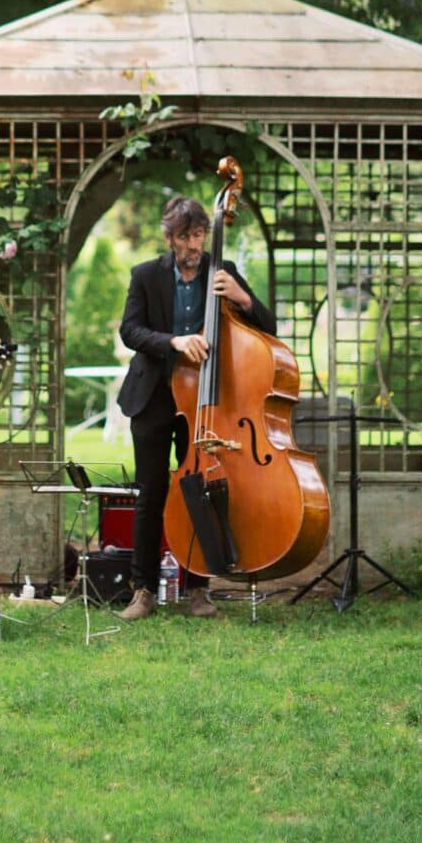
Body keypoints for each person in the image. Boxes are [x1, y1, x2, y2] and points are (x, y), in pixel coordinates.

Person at [116, 194, 275, 621]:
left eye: (200, 234)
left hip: (205, 400)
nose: (194, 244)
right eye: (185, 236)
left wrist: (242, 298)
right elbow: (130, 330)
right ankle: (143, 590)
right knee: (151, 493)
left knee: (200, 493)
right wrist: (173, 342)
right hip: (154, 395)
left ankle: (199, 590)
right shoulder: (146, 275)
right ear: (170, 238)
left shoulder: (223, 272)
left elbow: (268, 327)